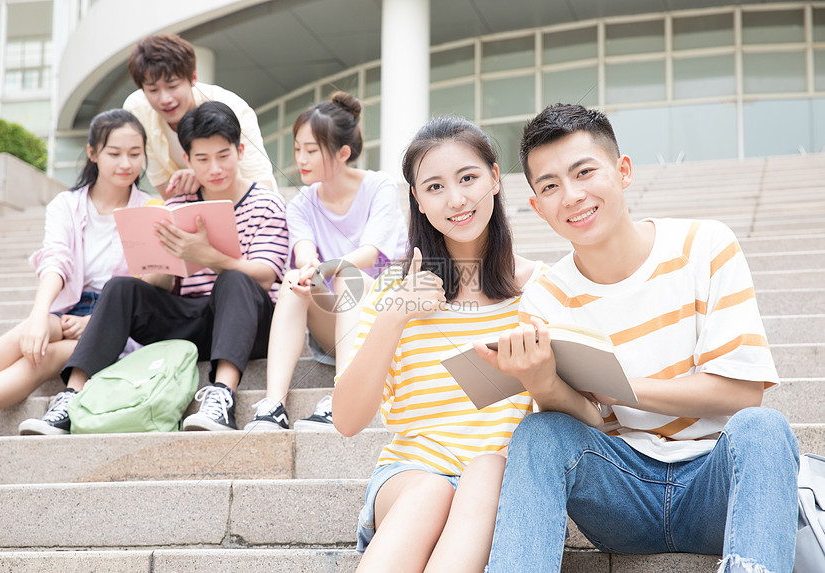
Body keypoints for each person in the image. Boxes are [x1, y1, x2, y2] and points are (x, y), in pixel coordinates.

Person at [485, 103, 799, 573]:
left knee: (765, 427)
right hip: (621, 494)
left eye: (584, 172)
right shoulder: (545, 298)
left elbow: (743, 393)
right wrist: (542, 383)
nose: (571, 196)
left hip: (715, 484)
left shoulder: (704, 247)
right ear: (537, 207)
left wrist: (622, 389)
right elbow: (585, 423)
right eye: (550, 186)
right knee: (538, 432)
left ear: (624, 171)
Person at [332, 117, 601, 573]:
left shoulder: (543, 288)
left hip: (502, 478)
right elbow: (347, 420)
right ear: (417, 200)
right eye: (435, 187)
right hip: (409, 478)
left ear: (495, 178)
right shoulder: (394, 290)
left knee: (486, 470)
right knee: (431, 491)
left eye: (468, 178)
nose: (456, 199)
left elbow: (591, 418)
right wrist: (394, 316)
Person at [19, 101, 289, 435]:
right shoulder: (175, 206)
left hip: (248, 326)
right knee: (122, 287)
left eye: (223, 156)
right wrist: (166, 260)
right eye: (202, 159)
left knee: (235, 279)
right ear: (187, 159)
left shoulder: (266, 203)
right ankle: (71, 398)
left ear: (240, 151)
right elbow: (157, 283)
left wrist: (207, 255)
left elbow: (265, 275)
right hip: (191, 318)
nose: (215, 168)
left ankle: (222, 396)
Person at [0, 109, 149, 424]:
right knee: (28, 333)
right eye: (114, 153)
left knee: (43, 356)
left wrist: (97, 320)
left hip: (119, 325)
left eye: (135, 154)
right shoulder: (67, 205)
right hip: (68, 310)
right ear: (93, 153)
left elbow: (149, 283)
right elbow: (56, 260)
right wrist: (39, 316)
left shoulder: (148, 209)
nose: (126, 164)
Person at [248, 92, 407, 432]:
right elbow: (304, 252)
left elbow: (370, 253)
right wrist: (308, 272)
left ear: (343, 153)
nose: (300, 159)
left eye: (311, 150)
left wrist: (324, 269)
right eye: (297, 149)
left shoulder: (380, 187)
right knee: (294, 280)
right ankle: (273, 404)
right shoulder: (300, 204)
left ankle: (342, 400)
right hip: (334, 318)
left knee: (348, 273)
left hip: (385, 317)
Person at [123, 34, 276, 199]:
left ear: (193, 77)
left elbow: (261, 185)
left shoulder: (232, 108)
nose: (165, 99)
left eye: (173, 86)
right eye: (153, 90)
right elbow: (166, 188)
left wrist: (203, 177)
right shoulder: (137, 111)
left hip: (241, 202)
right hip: (187, 204)